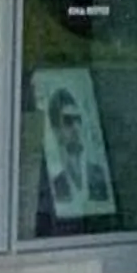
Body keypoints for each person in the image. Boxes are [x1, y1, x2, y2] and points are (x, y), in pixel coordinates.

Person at [44, 85, 113, 217]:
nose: (76, 127)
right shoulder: (55, 182)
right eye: (68, 121)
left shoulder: (98, 175)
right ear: (56, 130)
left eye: (78, 120)